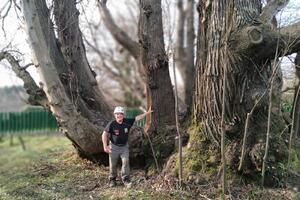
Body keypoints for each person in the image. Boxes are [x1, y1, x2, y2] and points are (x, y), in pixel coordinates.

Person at [102, 106, 152, 188]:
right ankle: (112, 179)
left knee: (125, 161)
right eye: (117, 114)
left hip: (124, 147)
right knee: (113, 164)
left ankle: (126, 179)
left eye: (120, 114)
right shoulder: (112, 124)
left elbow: (137, 118)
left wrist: (147, 113)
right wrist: (105, 145)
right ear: (115, 115)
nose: (119, 116)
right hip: (113, 147)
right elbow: (104, 134)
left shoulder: (127, 122)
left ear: (123, 115)